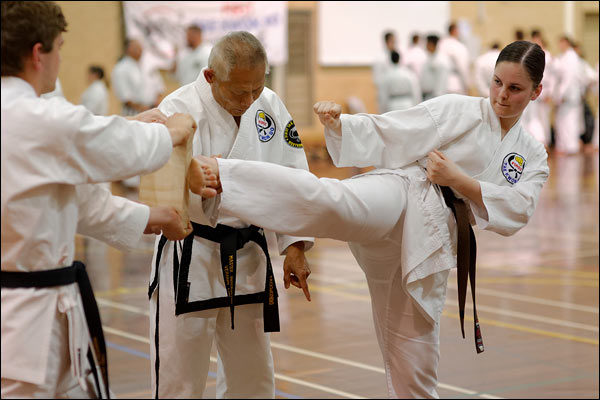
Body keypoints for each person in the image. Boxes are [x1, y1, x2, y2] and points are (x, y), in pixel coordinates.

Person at [190, 40, 550, 398]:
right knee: (335, 202)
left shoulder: (532, 155)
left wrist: (459, 180)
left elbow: (517, 210)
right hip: (404, 193)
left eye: (515, 88)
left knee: (417, 364)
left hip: (434, 238)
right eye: (497, 82)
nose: (501, 95)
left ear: (536, 92)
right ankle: (222, 175)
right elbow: (397, 129)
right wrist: (342, 126)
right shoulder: (459, 109)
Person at [1, 2, 197, 398]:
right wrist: (172, 131)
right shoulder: (39, 119)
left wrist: (151, 217)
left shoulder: (32, 118)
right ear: (38, 54)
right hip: (25, 318)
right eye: (59, 46)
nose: (61, 57)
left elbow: (72, 197)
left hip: (42, 308)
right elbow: (112, 147)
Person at [148, 31, 314, 398]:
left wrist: (295, 244)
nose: (249, 99)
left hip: (249, 255)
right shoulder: (177, 108)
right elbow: (162, 191)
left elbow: (294, 174)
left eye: (257, 87)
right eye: (240, 92)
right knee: (181, 378)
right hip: (192, 252)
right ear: (210, 77)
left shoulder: (268, 104)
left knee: (253, 377)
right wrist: (209, 180)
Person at [521, 30, 555, 147]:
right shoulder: (530, 55)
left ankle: (544, 143)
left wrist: (550, 92)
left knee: (543, 119)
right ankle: (536, 142)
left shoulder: (548, 56)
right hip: (532, 89)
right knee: (531, 117)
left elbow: (551, 78)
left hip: (543, 91)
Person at [553, 36, 584, 155]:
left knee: (570, 121)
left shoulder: (571, 57)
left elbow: (569, 78)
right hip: (566, 95)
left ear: (566, 43)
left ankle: (571, 147)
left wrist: (561, 94)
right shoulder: (564, 57)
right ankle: (564, 146)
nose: (559, 46)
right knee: (562, 121)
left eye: (561, 43)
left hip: (569, 95)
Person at [111, 38, 153, 116]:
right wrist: (143, 109)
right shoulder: (121, 68)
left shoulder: (144, 66)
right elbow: (125, 97)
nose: (141, 49)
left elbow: (158, 88)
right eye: (137, 47)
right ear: (128, 49)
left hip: (150, 111)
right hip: (133, 113)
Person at [437, 23, 470, 95]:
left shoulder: (440, 44)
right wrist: (467, 85)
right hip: (455, 84)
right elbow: (463, 68)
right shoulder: (458, 46)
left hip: (439, 84)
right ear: (455, 31)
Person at [373, 31, 398, 112]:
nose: (395, 44)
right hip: (385, 94)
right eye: (393, 41)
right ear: (387, 42)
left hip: (395, 94)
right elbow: (377, 79)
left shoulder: (396, 56)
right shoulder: (380, 58)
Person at [420, 34, 450, 101]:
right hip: (426, 96)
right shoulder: (428, 58)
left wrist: (438, 98)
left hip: (435, 97)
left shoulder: (441, 61)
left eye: (427, 43)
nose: (425, 46)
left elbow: (441, 82)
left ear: (431, 44)